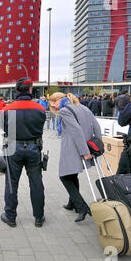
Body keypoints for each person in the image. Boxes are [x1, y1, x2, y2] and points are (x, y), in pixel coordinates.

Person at [0, 78, 46, 228]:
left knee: (11, 183)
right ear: (31, 89)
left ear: (17, 91)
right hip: (33, 147)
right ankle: (39, 217)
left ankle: (10, 216)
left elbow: (3, 127)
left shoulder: (7, 109)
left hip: (14, 147)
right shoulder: (40, 108)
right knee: (36, 183)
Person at [49, 92, 102, 222]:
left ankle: (82, 207)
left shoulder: (65, 111)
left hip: (73, 148)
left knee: (64, 177)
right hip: (82, 146)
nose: (53, 107)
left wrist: (85, 151)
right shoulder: (83, 107)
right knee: (71, 175)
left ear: (57, 100)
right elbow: (97, 127)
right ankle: (72, 203)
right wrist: (98, 145)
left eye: (52, 103)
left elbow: (75, 130)